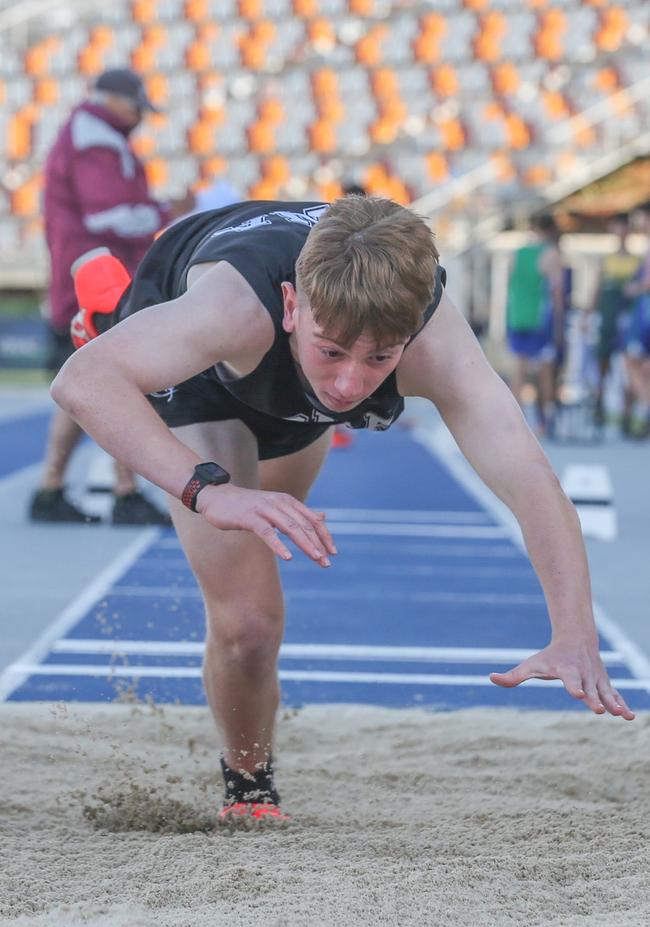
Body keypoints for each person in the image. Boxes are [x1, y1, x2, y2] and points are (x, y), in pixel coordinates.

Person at [51, 196, 635, 821]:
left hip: (283, 388)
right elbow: (80, 383)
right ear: (293, 306)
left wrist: (574, 633)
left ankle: (218, 352)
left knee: (270, 524)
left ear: (409, 335)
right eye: (332, 351)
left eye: (380, 359)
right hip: (204, 367)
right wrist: (208, 491)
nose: (351, 386)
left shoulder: (433, 340)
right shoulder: (234, 305)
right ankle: (250, 788)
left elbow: (532, 483)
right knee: (248, 621)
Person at [31, 67, 193, 524]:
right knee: (120, 380)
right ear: (116, 101)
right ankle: (123, 490)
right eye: (138, 106)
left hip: (89, 270)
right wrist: (171, 213)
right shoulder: (95, 139)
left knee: (88, 377)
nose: (141, 116)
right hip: (98, 274)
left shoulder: (92, 136)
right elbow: (111, 216)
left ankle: (51, 487)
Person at [506, 214, 567, 437]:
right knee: (545, 371)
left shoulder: (516, 253)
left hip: (517, 316)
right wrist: (560, 326)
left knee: (519, 371)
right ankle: (546, 421)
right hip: (539, 319)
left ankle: (514, 424)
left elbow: (511, 286)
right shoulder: (551, 254)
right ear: (551, 231)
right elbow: (557, 292)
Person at [583, 212, 639, 430]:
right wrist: (587, 315)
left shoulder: (638, 261)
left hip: (627, 321)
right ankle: (599, 404)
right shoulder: (607, 260)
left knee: (629, 367)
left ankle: (629, 413)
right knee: (602, 363)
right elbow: (596, 290)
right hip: (607, 319)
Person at [622, 202, 650, 439]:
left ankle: (644, 407)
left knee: (631, 359)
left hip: (646, 312)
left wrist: (635, 287)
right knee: (642, 365)